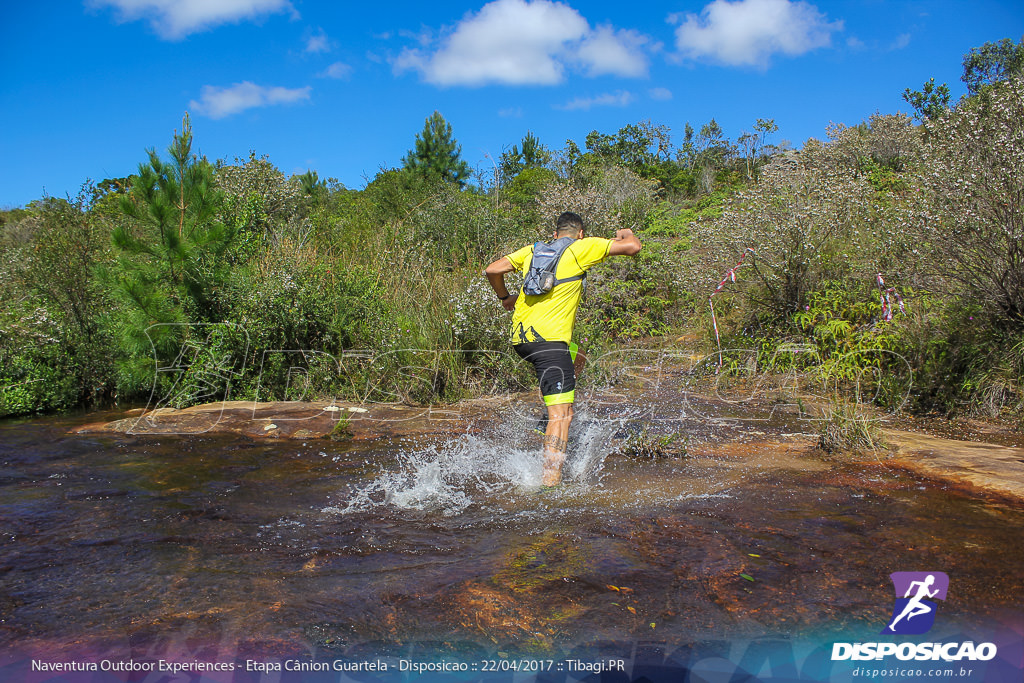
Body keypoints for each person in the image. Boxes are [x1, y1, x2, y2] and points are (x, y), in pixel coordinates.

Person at [484, 211, 642, 487]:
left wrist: (504, 297)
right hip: (549, 345)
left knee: (578, 355)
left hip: (522, 340)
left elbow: (492, 270)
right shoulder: (581, 247)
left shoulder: (532, 251)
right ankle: (550, 484)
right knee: (562, 415)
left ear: (554, 234)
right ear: (580, 233)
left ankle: (549, 410)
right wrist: (625, 232)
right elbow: (632, 247)